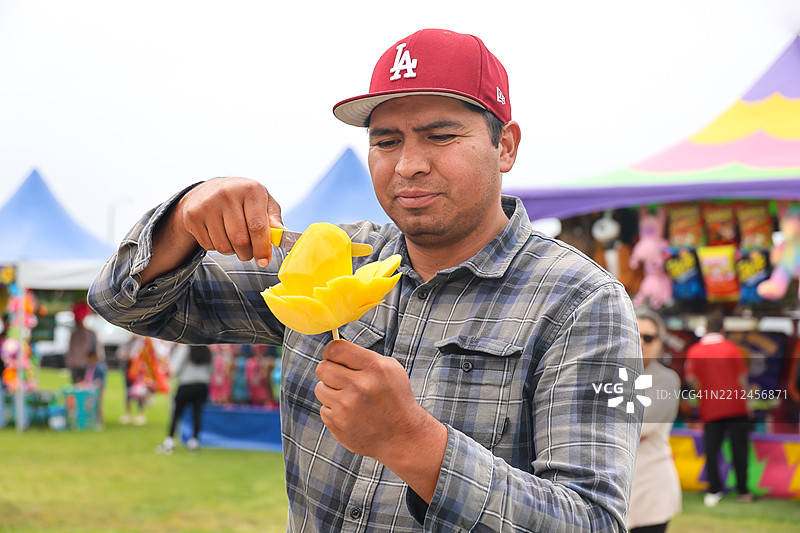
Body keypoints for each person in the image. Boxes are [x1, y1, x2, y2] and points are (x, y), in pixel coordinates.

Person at [89, 28, 642, 532]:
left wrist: (416, 443)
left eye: (440, 136)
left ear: (506, 146)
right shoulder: (326, 261)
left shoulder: (582, 302)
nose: (407, 165)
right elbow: (127, 305)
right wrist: (186, 216)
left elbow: (592, 520)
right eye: (386, 141)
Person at [685, 311, 752, 507]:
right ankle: (743, 491)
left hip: (710, 408)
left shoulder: (695, 351)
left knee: (712, 450)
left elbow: (691, 380)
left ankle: (714, 489)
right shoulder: (732, 349)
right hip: (736, 406)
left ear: (706, 328)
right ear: (723, 329)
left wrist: (703, 395)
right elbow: (742, 380)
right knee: (739, 450)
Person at [627, 309, 681, 533]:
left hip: (651, 487)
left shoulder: (667, 380)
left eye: (648, 338)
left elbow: (641, 427)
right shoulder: (609, 374)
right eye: (634, 334)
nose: (640, 342)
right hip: (613, 487)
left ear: (660, 342)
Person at [156, 344, 212, 454]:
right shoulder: (207, 350)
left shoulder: (186, 348)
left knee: (176, 414)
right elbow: (211, 368)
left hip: (186, 384)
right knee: (197, 414)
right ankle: (194, 441)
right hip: (202, 385)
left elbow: (176, 367)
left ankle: (170, 441)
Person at [65, 301, 103, 384]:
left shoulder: (90, 333)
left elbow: (97, 352)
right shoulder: (75, 334)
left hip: (87, 366)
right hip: (77, 366)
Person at [116, 333, 148, 425]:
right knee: (127, 391)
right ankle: (128, 414)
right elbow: (119, 354)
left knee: (140, 392)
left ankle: (140, 414)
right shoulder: (126, 343)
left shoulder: (142, 343)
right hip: (128, 369)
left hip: (138, 371)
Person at [81, 349, 108, 429]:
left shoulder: (100, 366)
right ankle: (91, 421)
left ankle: (99, 422)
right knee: (89, 405)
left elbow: (102, 379)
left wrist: (98, 383)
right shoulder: (89, 366)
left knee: (98, 406)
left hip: (98, 388)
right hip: (89, 388)